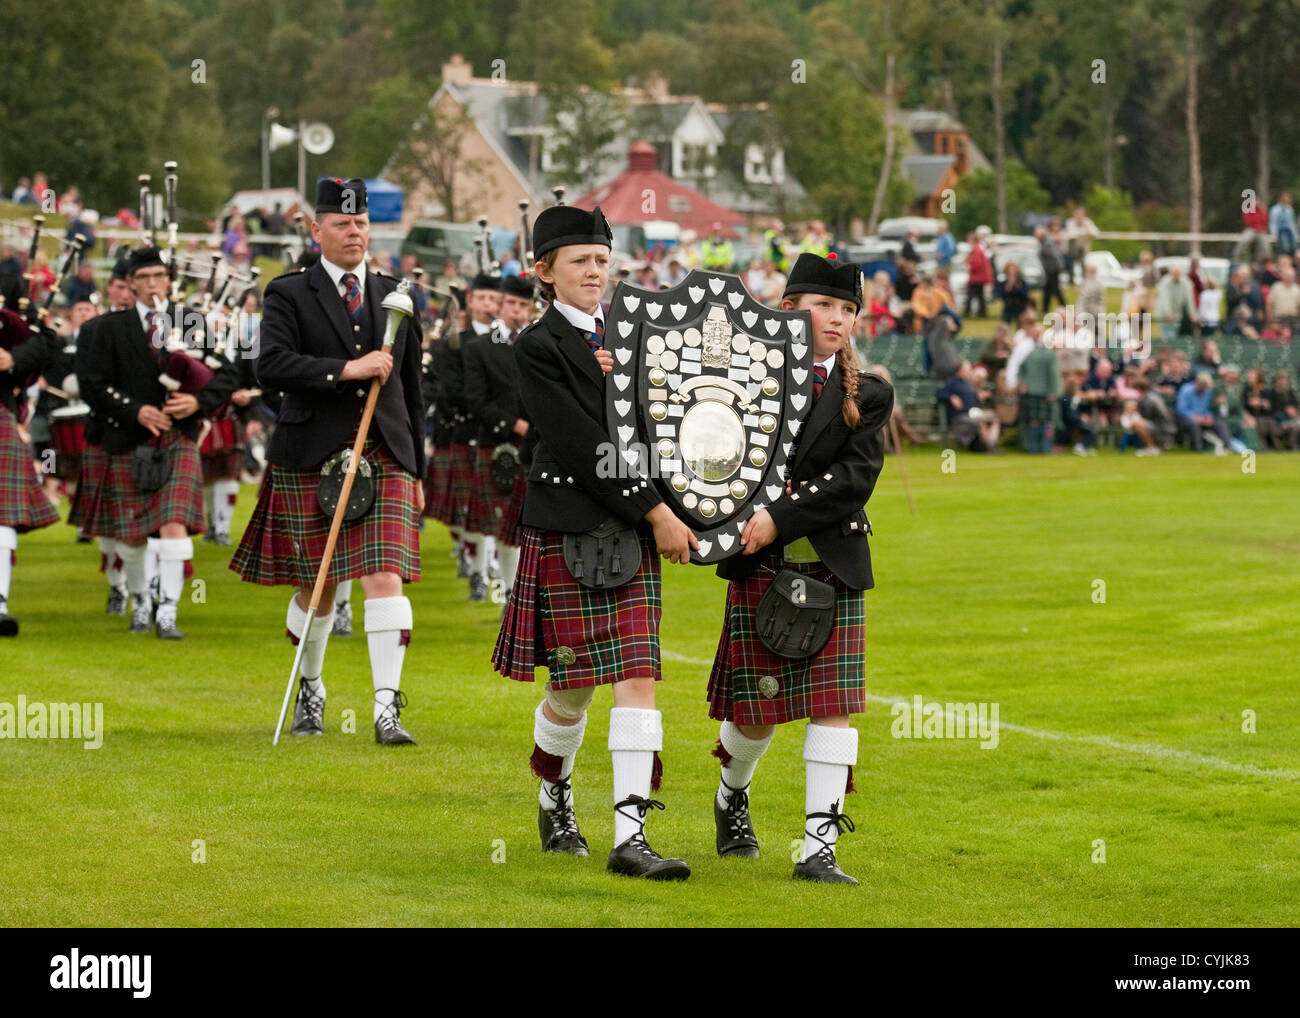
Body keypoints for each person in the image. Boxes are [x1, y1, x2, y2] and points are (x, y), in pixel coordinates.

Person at [492, 203, 698, 880]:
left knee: (638, 678)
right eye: (580, 260)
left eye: (602, 260)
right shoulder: (536, 348)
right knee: (573, 692)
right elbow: (585, 448)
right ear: (543, 271)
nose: (594, 271)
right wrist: (659, 515)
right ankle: (554, 791)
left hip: (631, 530)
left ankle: (631, 836)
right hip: (573, 523)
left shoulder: (635, 334)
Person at [703, 253, 893, 885]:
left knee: (833, 705)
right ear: (788, 309)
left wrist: (780, 515)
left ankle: (818, 849)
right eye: (823, 306)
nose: (836, 319)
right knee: (756, 711)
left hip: (830, 562)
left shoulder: (869, 393)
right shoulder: (743, 381)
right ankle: (732, 792)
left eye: (847, 310)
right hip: (764, 565)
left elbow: (853, 481)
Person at [230, 177, 426, 745]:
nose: (354, 232)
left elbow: (412, 392)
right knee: (316, 587)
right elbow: (271, 366)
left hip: (383, 451)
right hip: (312, 451)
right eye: (341, 224)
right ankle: (310, 688)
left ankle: (387, 709)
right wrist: (345, 370)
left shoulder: (398, 294)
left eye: (361, 223)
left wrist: (416, 470)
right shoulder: (288, 293)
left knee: (384, 575)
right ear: (316, 230)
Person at [78, 246, 236, 638]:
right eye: (143, 279)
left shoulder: (190, 321)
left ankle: (168, 610)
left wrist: (197, 401)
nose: (152, 285)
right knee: (131, 535)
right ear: (130, 285)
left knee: (172, 522)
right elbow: (92, 384)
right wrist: (136, 411)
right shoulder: (105, 329)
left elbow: (227, 376)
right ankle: (140, 601)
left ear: (169, 281)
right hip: (127, 438)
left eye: (159, 277)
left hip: (178, 438)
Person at [462, 272, 535, 605]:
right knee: (507, 527)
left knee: (532, 527)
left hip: (539, 446)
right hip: (500, 447)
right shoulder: (479, 348)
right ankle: (509, 594)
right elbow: (475, 401)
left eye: (523, 305)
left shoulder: (539, 344)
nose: (516, 310)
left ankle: (527, 594)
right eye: (511, 303)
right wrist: (515, 425)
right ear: (501, 304)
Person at [0, 279, 60, 634]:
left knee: (1, 514)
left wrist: (12, 359)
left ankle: (0, 600)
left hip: (3, 416)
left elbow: (47, 343)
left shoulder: (6, 322)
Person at [1176, 371, 1233, 453]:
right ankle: (1199, 450)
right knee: (1194, 424)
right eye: (1203, 385)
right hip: (1186, 419)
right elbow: (1181, 409)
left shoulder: (1207, 391)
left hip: (1203, 418)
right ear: (1197, 382)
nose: (1204, 388)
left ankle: (1228, 448)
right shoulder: (1186, 390)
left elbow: (1206, 409)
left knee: (1220, 424)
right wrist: (1194, 417)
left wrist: (1208, 416)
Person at [964, 231, 992, 318]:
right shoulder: (979, 248)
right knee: (980, 296)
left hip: (977, 277)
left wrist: (969, 266)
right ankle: (982, 313)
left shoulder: (976, 249)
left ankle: (967, 312)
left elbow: (977, 264)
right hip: (980, 276)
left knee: (970, 295)